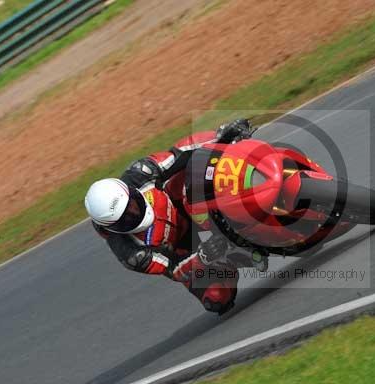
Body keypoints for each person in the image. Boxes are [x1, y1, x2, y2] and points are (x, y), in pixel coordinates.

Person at [84, 119, 254, 315]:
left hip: (184, 198)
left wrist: (221, 138)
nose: (134, 213)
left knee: (194, 181)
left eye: (131, 205)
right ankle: (234, 256)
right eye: (125, 219)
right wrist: (202, 256)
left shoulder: (139, 174)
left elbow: (179, 153)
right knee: (217, 298)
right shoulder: (130, 253)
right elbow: (173, 269)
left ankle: (243, 192)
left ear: (130, 192)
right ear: (112, 227)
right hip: (185, 249)